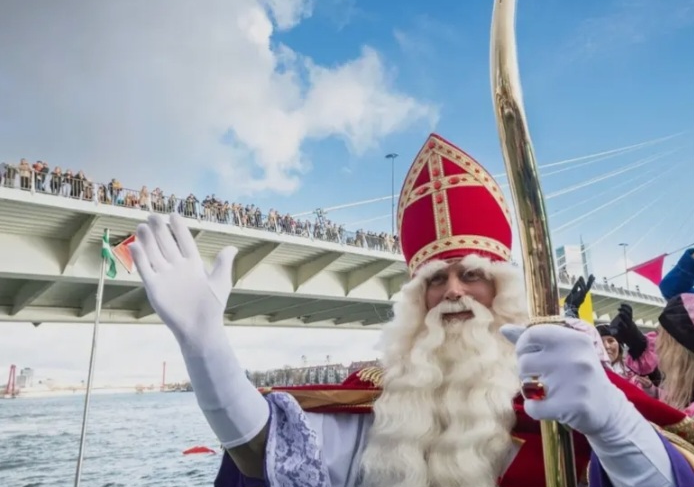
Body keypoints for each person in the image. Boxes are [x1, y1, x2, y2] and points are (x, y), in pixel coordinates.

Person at [130, 133, 694, 487]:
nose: (453, 291)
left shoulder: (576, 396)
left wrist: (610, 420)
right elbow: (264, 453)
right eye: (435, 279)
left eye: (472, 274)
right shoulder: (380, 400)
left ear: (503, 291)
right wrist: (205, 347)